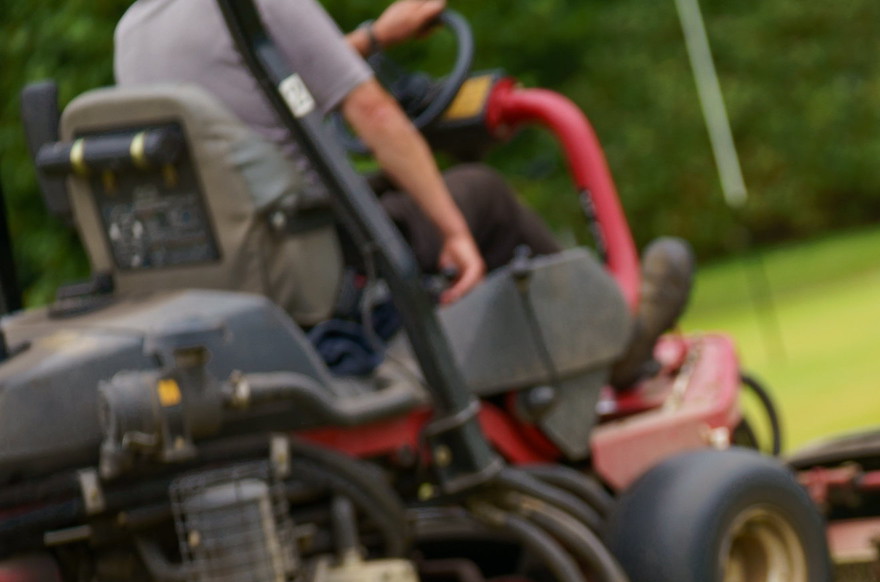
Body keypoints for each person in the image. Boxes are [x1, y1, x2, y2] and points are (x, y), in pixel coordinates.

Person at [113, 0, 692, 384]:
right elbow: (372, 111)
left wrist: (372, 38)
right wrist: (455, 231)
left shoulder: (134, 31)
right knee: (480, 194)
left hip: (232, 265)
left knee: (402, 184)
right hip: (317, 262)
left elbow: (264, 77)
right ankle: (615, 344)